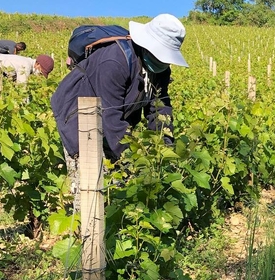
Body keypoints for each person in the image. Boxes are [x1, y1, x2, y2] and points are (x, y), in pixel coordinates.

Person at [51, 13, 188, 211]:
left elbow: (160, 107)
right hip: (79, 119)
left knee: (119, 190)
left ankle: (115, 230)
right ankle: (88, 236)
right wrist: (134, 161)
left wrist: (164, 148)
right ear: (147, 45)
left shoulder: (160, 69)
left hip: (116, 123)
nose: (164, 61)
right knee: (90, 188)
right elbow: (110, 116)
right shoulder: (114, 61)